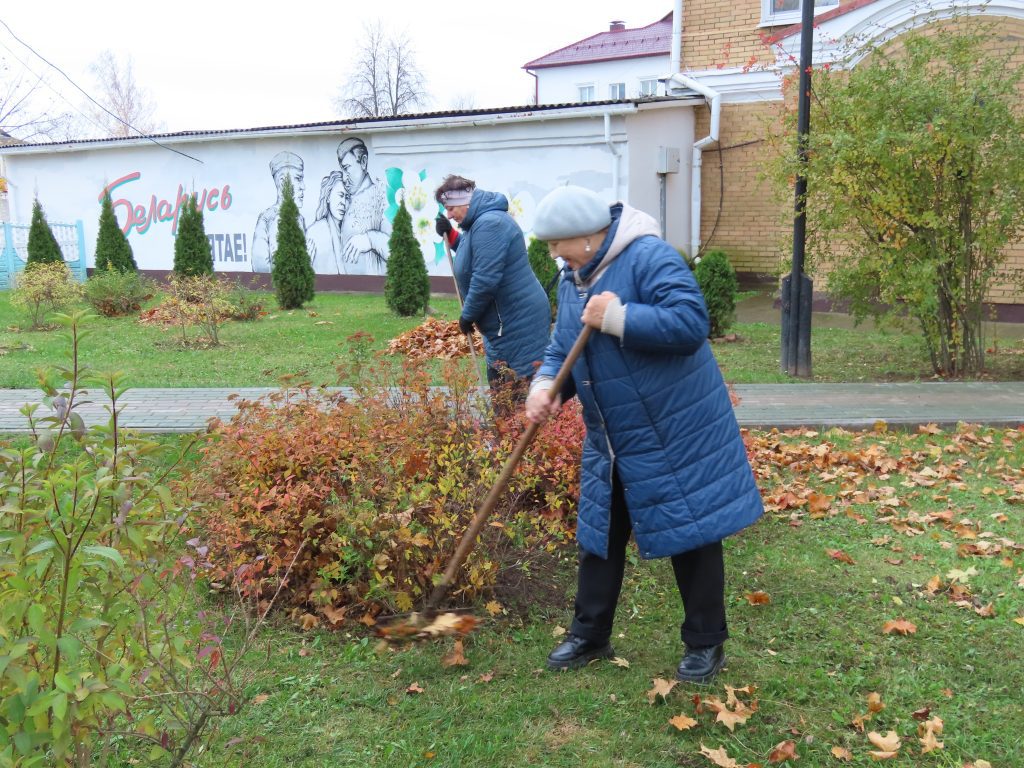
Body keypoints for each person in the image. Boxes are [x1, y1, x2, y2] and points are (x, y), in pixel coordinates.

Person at [524, 185, 763, 683]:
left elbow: (690, 323)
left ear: (589, 237)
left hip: (673, 428)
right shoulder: (574, 276)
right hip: (613, 432)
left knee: (691, 534)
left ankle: (705, 644)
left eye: (557, 244)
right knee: (601, 534)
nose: (553, 255)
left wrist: (618, 317)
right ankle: (590, 633)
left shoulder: (648, 256)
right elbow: (563, 343)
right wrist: (547, 385)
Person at [433, 174, 551, 397]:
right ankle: (511, 429)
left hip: (517, 321)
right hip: (502, 320)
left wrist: (468, 316)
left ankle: (526, 431)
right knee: (505, 388)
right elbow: (473, 255)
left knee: (518, 388)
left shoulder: (490, 224)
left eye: (450, 208)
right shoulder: (479, 222)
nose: (448, 214)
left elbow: (485, 280)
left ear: (463, 202)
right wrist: (451, 235)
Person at [336, 137, 392, 274]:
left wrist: (370, 239)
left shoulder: (380, 196)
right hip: (346, 288)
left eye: (347, 168)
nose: (344, 177)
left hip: (374, 287)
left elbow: (396, 249)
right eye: (341, 170)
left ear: (363, 162)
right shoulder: (343, 198)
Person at [252, 151, 306, 273]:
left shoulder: (300, 219)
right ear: (282, 182)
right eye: (298, 179)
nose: (303, 186)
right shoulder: (267, 219)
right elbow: (260, 266)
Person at [305, 171, 349, 274]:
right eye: (340, 195)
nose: (343, 202)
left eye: (347, 197)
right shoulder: (315, 232)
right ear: (328, 197)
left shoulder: (348, 232)